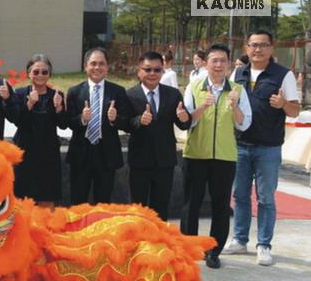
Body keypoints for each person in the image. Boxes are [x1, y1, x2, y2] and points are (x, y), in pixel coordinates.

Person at [228, 30, 301, 266]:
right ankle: (239, 240)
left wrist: (282, 104)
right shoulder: (238, 73)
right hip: (240, 144)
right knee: (239, 195)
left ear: (271, 48)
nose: (257, 50)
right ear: (246, 48)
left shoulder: (283, 75)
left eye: (263, 45)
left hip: (268, 147)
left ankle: (264, 245)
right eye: (253, 45)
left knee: (266, 198)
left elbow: (295, 111)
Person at [181, 44, 252, 269]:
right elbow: (186, 122)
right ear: (206, 63)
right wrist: (203, 106)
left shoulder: (238, 91)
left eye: (223, 60)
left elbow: (245, 124)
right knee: (191, 203)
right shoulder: (193, 87)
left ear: (229, 64)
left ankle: (214, 250)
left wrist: (234, 105)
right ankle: (190, 248)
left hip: (224, 156)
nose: (219, 65)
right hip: (196, 154)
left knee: (220, 206)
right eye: (214, 60)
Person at [124, 51, 191, 221]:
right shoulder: (130, 95)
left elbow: (183, 122)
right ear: (139, 71)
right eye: (148, 70)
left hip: (164, 161)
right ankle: (138, 243)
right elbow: (124, 123)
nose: (152, 74)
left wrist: (185, 118)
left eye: (157, 70)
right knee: (138, 208)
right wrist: (139, 120)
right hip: (139, 160)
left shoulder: (172, 94)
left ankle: (159, 244)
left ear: (163, 71)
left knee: (161, 207)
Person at [64, 47, 133, 204]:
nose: (97, 67)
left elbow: (127, 123)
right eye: (93, 63)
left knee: (103, 202)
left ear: (107, 67)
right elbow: (68, 122)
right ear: (85, 66)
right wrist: (82, 118)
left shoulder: (118, 91)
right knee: (78, 201)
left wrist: (115, 119)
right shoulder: (75, 91)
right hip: (81, 154)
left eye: (101, 63)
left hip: (106, 154)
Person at [12, 55, 68, 208]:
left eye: (44, 72)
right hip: (25, 151)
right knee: (22, 199)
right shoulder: (20, 94)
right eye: (36, 72)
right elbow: (17, 120)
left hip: (48, 154)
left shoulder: (56, 95)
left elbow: (63, 125)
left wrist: (59, 108)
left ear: (49, 74)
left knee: (47, 197)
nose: (40, 76)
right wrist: (30, 103)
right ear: (29, 73)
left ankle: (45, 230)